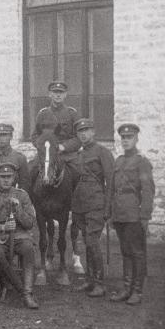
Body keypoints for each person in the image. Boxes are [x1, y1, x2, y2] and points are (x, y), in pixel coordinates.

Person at [0, 162, 40, 309]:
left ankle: (28, 291)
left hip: (19, 235)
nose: (6, 180)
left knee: (28, 249)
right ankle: (22, 290)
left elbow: (30, 223)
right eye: (2, 177)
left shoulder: (22, 195)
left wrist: (18, 210)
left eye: (9, 176)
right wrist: (2, 227)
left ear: (14, 178)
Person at [110, 123, 155, 305]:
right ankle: (126, 288)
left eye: (129, 137)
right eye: (123, 137)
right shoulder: (119, 161)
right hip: (120, 213)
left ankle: (137, 291)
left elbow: (148, 190)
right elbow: (113, 189)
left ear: (136, 139)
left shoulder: (141, 162)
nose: (125, 140)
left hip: (134, 214)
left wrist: (144, 216)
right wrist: (111, 212)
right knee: (125, 251)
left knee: (137, 252)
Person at [71, 118, 114, 297]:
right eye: (80, 132)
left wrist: (108, 207)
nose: (83, 134)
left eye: (86, 130)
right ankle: (89, 280)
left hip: (96, 202)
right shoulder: (79, 154)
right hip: (80, 203)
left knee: (92, 241)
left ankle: (99, 283)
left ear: (93, 132)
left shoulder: (102, 152)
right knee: (86, 240)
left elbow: (111, 181)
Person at [30, 81, 81, 163]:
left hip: (67, 154)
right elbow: (35, 136)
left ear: (65, 95)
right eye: (55, 92)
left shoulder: (72, 114)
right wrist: (43, 146)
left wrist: (64, 146)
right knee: (32, 167)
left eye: (61, 92)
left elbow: (79, 137)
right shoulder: (43, 114)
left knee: (76, 168)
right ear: (50, 94)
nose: (58, 95)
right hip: (46, 152)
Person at [0, 123, 30, 192]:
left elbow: (25, 185)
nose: (1, 139)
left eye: (5, 135)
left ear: (11, 136)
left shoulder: (20, 158)